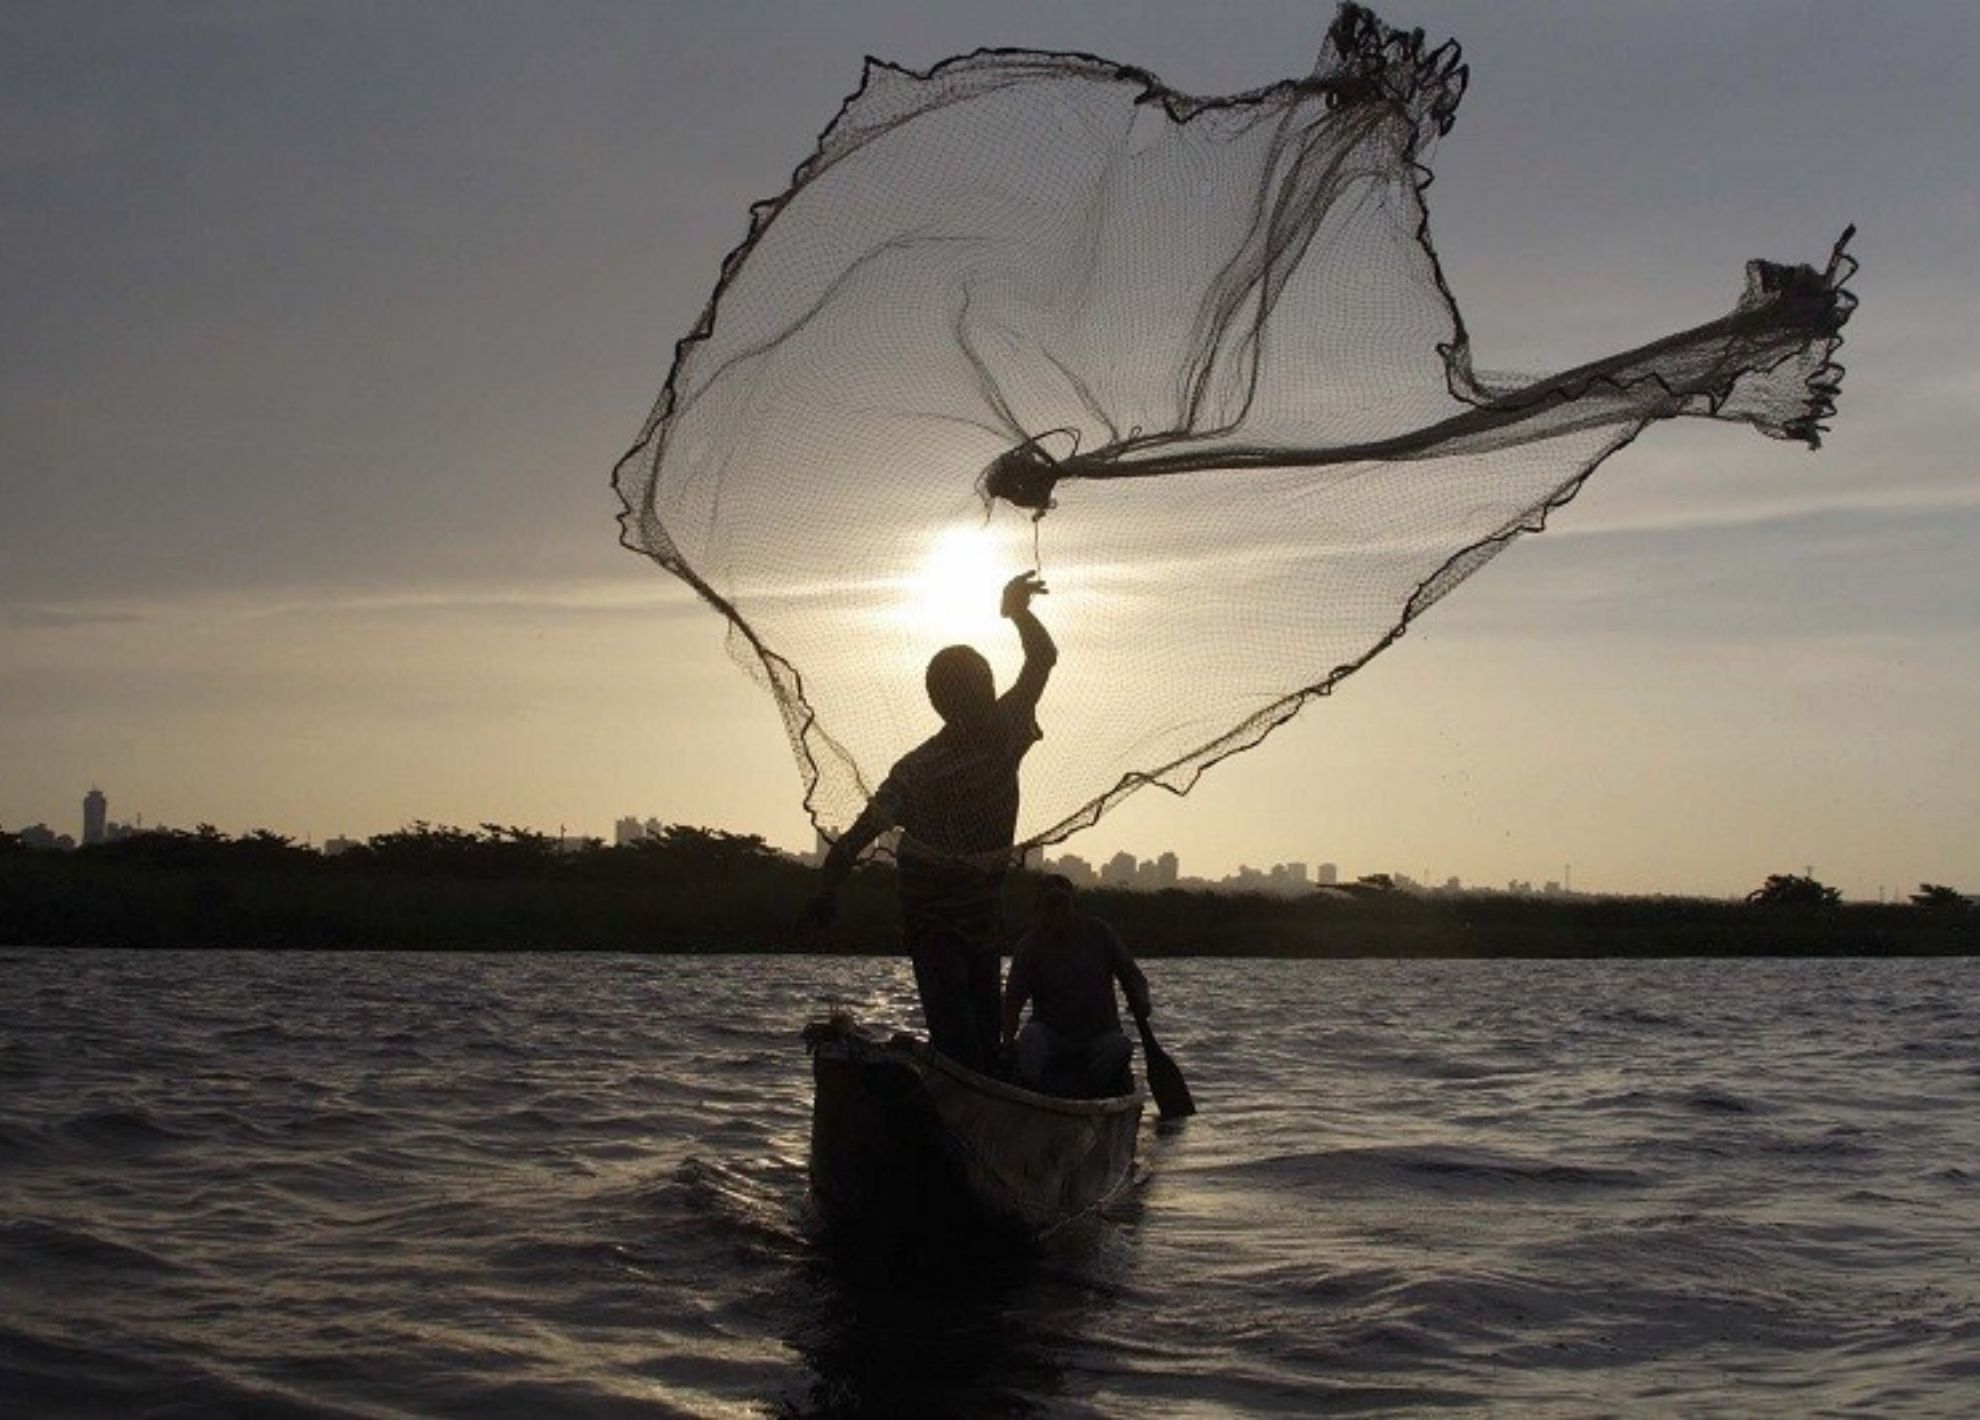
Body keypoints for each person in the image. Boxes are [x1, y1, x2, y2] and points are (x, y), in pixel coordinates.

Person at [804, 570, 1056, 1072]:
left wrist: (1018, 613)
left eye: (986, 683)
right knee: (952, 1018)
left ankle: (979, 1093)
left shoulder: (1005, 729)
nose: (987, 693)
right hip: (931, 906)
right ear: (948, 702)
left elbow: (1041, 659)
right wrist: (828, 889)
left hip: (981, 906)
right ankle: (957, 1087)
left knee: (984, 1023)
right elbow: (861, 833)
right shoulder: (917, 769)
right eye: (974, 688)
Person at [1001, 875, 1152, 1098]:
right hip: (1051, 1034)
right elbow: (1013, 1000)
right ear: (1040, 910)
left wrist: (1141, 1000)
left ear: (1075, 905)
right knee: (1031, 1038)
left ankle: (1095, 1091)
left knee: (1120, 1046)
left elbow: (1131, 975)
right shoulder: (1030, 946)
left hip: (1100, 1035)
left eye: (1063, 904)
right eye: (1051, 905)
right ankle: (1031, 1093)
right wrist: (1006, 1044)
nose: (1058, 912)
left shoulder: (1101, 934)